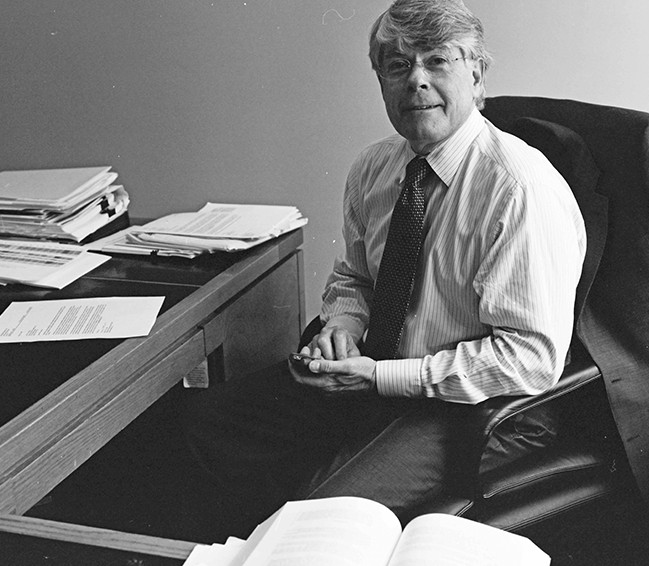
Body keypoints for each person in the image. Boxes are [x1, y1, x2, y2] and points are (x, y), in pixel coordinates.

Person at [185, 0, 585, 536]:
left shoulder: (517, 189)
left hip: (479, 406)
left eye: (437, 60)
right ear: (381, 82)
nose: (416, 80)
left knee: (320, 513)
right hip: (379, 374)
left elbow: (530, 359)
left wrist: (381, 377)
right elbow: (353, 280)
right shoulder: (373, 167)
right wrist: (342, 329)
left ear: (476, 76)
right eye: (398, 66)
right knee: (209, 422)